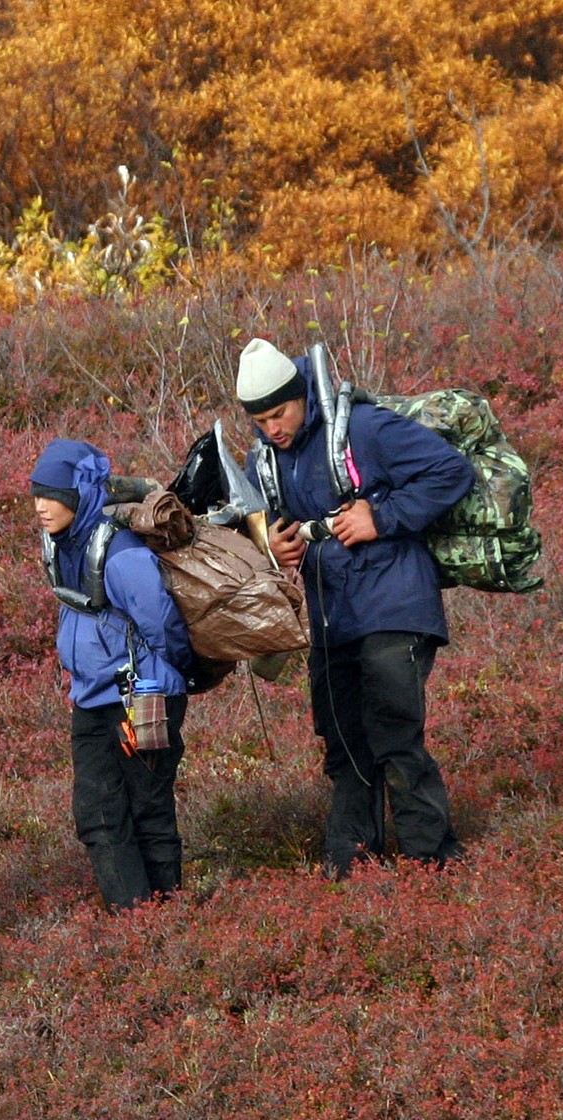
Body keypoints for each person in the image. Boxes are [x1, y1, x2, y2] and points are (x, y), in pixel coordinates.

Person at [236, 338, 475, 878]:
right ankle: (352, 868)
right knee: (343, 740)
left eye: (280, 413)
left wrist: (381, 517)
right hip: (331, 614)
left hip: (395, 601)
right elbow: (249, 526)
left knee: (394, 732)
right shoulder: (265, 461)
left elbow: (451, 472)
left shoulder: (365, 428)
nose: (272, 428)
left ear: (301, 395)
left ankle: (432, 862)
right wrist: (270, 545)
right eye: (260, 420)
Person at [30, 439, 193, 910]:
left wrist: (169, 683)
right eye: (37, 495)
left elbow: (161, 624)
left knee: (148, 809)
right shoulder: (61, 545)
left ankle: (163, 918)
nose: (42, 507)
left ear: (81, 493)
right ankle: (135, 922)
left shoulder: (121, 554)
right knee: (97, 814)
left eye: (53, 495)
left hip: (142, 695)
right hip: (91, 698)